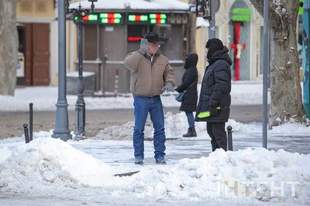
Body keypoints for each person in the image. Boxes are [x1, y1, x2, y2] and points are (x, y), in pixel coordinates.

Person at [123, 32, 175, 165]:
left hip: (156, 98)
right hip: (140, 98)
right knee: (139, 128)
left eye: (157, 45)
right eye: (153, 45)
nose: (156, 47)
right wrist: (141, 52)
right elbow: (127, 64)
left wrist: (169, 83)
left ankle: (160, 156)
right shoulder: (136, 57)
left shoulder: (162, 59)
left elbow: (169, 73)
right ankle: (139, 156)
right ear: (147, 45)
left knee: (160, 128)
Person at [196, 38, 232, 151]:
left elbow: (222, 86)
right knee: (212, 132)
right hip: (212, 106)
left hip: (217, 107)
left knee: (218, 134)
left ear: (213, 49)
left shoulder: (220, 64)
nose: (206, 52)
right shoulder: (214, 64)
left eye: (207, 50)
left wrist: (213, 102)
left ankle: (222, 158)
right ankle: (216, 157)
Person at [175, 53, 198, 137]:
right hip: (190, 94)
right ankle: (191, 129)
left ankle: (192, 130)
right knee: (188, 112)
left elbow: (186, 83)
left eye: (187, 58)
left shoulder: (191, 70)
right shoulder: (192, 69)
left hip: (190, 94)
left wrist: (179, 89)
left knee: (189, 112)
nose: (186, 60)